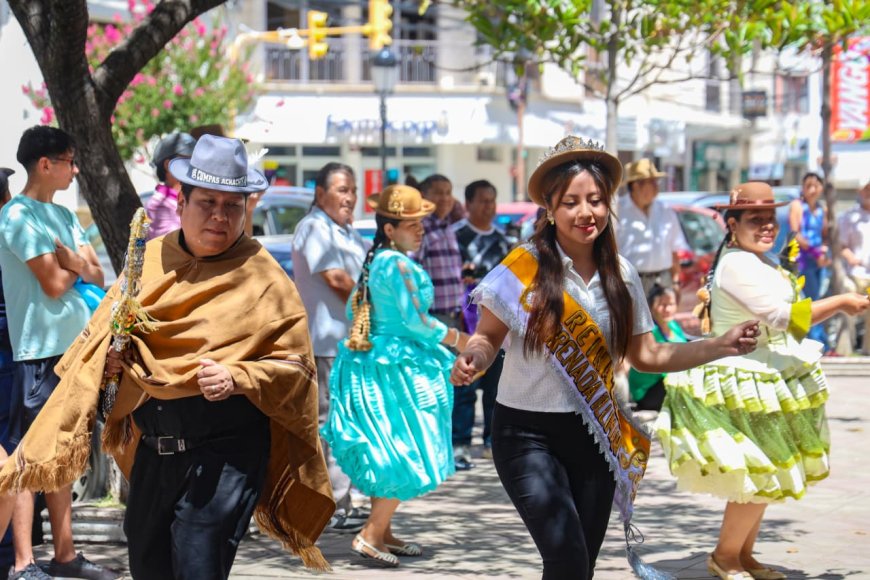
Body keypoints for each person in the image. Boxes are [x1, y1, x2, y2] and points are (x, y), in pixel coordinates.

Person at [0, 135, 335, 579]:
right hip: (155, 454)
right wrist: (113, 368)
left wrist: (240, 376)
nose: (219, 215)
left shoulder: (263, 276)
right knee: (148, 566)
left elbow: (296, 373)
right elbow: (98, 351)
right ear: (181, 203)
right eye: (207, 202)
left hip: (226, 455)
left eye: (232, 206)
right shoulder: (150, 260)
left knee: (198, 566)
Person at [450, 136, 759, 579]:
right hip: (525, 433)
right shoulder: (524, 266)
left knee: (581, 566)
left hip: (594, 435)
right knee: (567, 557)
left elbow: (648, 354)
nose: (585, 213)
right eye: (571, 202)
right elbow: (487, 337)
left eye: (595, 200)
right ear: (550, 210)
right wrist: (473, 360)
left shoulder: (622, 273)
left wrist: (719, 344)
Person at [655, 182, 870, 580]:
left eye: (770, 219)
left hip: (767, 374)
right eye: (756, 220)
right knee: (762, 469)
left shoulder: (760, 258)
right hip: (743, 377)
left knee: (765, 471)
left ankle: (743, 555)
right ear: (732, 225)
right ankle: (725, 556)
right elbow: (782, 317)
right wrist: (841, 302)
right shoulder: (737, 264)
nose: (767, 226)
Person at [322, 184, 471, 568]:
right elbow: (414, 320)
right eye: (411, 223)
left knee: (390, 443)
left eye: (421, 222)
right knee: (403, 445)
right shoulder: (396, 263)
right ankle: (371, 534)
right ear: (390, 229)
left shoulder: (381, 260)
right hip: (395, 366)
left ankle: (382, 529)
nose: (420, 229)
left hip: (380, 361)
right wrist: (457, 338)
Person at [0, 126, 114, 580]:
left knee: (64, 458)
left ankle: (65, 556)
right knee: (30, 459)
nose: (75, 169)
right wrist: (72, 265)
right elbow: (51, 282)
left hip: (75, 354)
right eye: (69, 160)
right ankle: (25, 562)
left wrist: (74, 264)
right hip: (37, 353)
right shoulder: (16, 217)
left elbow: (99, 274)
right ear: (45, 164)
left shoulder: (65, 216)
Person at [292, 162, 370, 534]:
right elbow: (337, 279)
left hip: (352, 342)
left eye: (352, 189)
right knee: (331, 421)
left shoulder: (347, 231)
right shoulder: (314, 227)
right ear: (320, 193)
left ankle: (351, 497)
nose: (350, 197)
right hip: (327, 343)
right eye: (342, 189)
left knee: (353, 420)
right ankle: (335, 502)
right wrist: (376, 303)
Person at [452, 179, 514, 461]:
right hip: (464, 321)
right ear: (468, 204)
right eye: (482, 201)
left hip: (499, 322)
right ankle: (460, 442)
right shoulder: (455, 236)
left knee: (496, 384)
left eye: (492, 200)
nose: (489, 207)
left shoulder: (504, 240)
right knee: (466, 384)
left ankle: (492, 440)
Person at [414, 175, 469, 470]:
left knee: (453, 386)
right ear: (424, 196)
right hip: (433, 319)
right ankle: (432, 451)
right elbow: (415, 273)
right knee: (435, 385)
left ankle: (447, 450)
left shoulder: (448, 228)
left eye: (449, 192)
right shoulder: (423, 230)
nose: (445, 198)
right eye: (438, 193)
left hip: (453, 315)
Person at [616, 157, 689, 296]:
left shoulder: (665, 211)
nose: (657, 186)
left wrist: (675, 282)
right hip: (629, 282)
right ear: (636, 185)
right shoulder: (617, 211)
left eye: (657, 181)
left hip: (663, 281)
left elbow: (674, 250)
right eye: (652, 182)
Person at [628, 284, 688, 412]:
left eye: (671, 304)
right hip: (649, 390)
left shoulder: (673, 325)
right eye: (662, 305)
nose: (667, 309)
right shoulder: (649, 332)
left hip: (669, 380)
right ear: (651, 307)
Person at [789, 172, 830, 349]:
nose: (812, 190)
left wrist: (824, 253)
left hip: (818, 261)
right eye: (808, 186)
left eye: (816, 186)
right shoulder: (798, 206)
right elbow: (795, 233)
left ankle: (818, 341)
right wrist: (815, 252)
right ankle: (817, 343)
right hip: (803, 260)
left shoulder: (822, 209)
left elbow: (825, 235)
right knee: (809, 301)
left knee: (819, 298)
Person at [838, 176, 870, 354]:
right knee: (846, 307)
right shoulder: (850, 217)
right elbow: (842, 247)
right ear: (860, 191)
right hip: (855, 273)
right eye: (866, 188)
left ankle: (868, 351)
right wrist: (851, 258)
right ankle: (845, 349)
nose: (869, 192)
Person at [143, 131, 196, 239]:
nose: (195, 163)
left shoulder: (193, 195)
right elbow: (174, 248)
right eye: (189, 158)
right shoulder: (158, 206)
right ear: (168, 165)